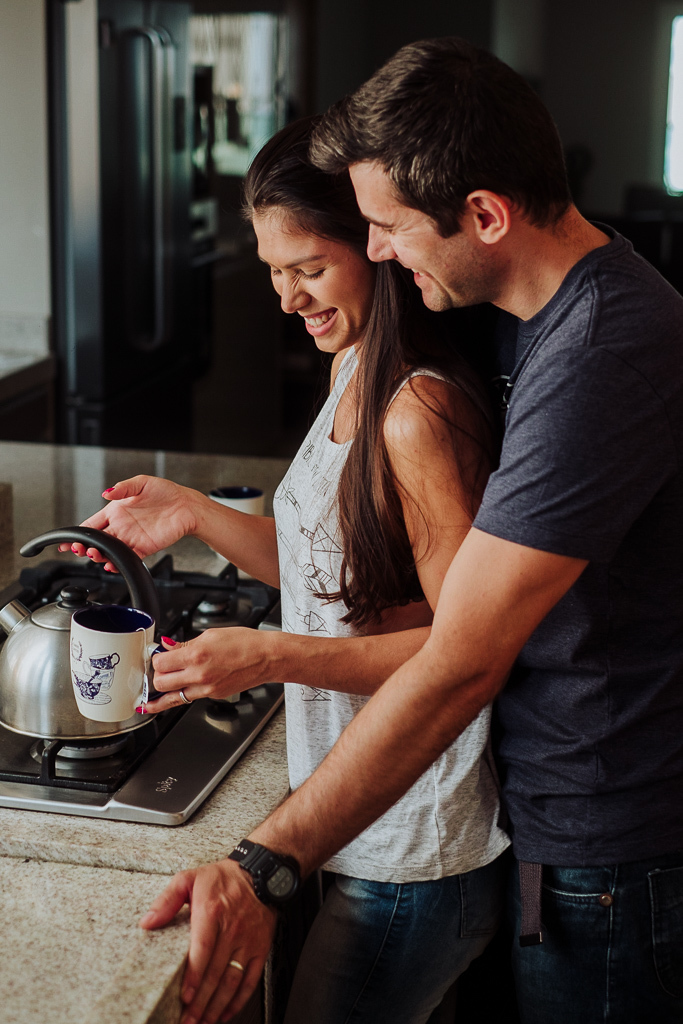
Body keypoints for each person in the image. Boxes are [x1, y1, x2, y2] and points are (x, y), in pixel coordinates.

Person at [114, 36, 683, 1024]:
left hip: (610, 843)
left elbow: (462, 656)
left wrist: (266, 859)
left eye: (383, 227)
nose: (374, 250)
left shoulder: (602, 350)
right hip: (553, 818)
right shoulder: (515, 311)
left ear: (484, 214)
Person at [68, 116, 511, 1023]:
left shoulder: (416, 412)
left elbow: (462, 651)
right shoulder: (352, 362)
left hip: (414, 850)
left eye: (308, 268)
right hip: (352, 829)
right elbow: (328, 574)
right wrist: (193, 511)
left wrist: (269, 655)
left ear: (376, 247)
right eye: (274, 270)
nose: (287, 297)